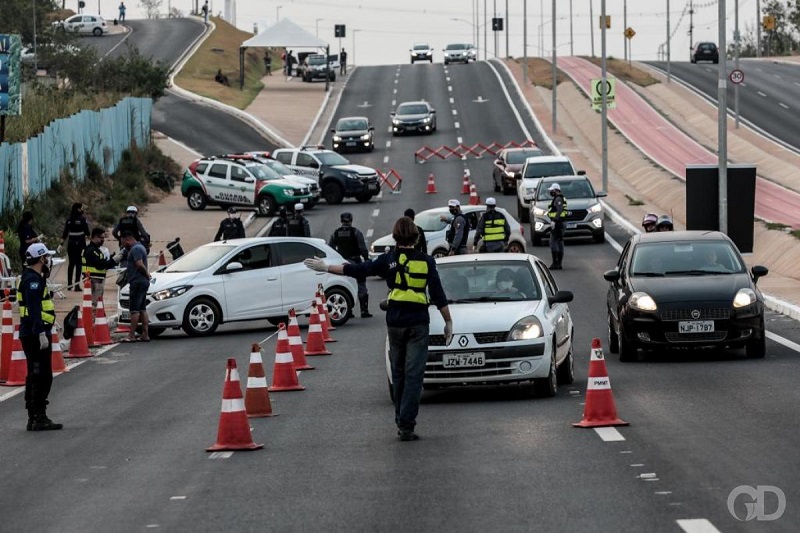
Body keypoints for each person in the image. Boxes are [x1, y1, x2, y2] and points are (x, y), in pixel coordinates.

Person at [304, 217, 452, 442]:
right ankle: (406, 425)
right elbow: (438, 295)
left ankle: (400, 420)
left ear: (395, 237)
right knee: (414, 375)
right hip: (418, 323)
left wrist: (326, 267)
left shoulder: (388, 260)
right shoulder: (427, 261)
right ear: (417, 237)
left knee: (399, 372)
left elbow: (358, 269)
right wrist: (448, 322)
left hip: (395, 322)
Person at [18, 243, 61, 431]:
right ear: (41, 258)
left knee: (37, 374)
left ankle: (35, 416)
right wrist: (41, 333)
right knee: (40, 375)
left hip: (35, 333)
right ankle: (37, 416)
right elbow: (34, 309)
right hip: (36, 335)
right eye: (47, 258)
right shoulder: (32, 281)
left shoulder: (34, 278)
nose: (48, 261)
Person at [328, 212, 372, 318]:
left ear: (341, 221)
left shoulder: (336, 233)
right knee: (361, 285)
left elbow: (330, 248)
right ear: (351, 220)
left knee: (344, 286)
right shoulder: (356, 232)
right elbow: (363, 248)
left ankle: (348, 311)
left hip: (342, 264)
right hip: (355, 263)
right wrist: (366, 260)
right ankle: (364, 310)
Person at [82, 228, 123, 319]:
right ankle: (93, 324)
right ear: (95, 237)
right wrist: (116, 259)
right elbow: (102, 265)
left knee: (98, 302)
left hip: (95, 280)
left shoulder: (93, 249)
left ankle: (99, 321)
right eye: (101, 238)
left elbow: (101, 262)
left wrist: (110, 258)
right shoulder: (92, 250)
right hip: (94, 280)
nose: (103, 240)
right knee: (95, 303)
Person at [120, 231, 151, 343]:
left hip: (137, 282)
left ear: (127, 239)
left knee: (134, 310)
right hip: (142, 282)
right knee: (142, 308)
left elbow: (139, 264)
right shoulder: (141, 247)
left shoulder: (135, 249)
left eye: (123, 242)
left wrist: (147, 275)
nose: (123, 245)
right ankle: (145, 334)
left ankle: (131, 335)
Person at [60, 202, 90, 291]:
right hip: (80, 243)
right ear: (78, 209)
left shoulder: (69, 219)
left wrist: (61, 244)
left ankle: (69, 284)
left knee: (71, 263)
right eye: (81, 208)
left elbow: (65, 233)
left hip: (71, 243)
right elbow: (87, 232)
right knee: (79, 264)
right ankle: (77, 285)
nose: (83, 209)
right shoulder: (83, 219)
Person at [547, 183, 567, 270]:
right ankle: (559, 263)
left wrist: (554, 220)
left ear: (556, 190)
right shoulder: (561, 198)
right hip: (561, 222)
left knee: (553, 241)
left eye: (552, 190)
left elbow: (559, 210)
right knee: (559, 241)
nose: (551, 192)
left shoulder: (558, 199)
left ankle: (556, 263)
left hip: (558, 223)